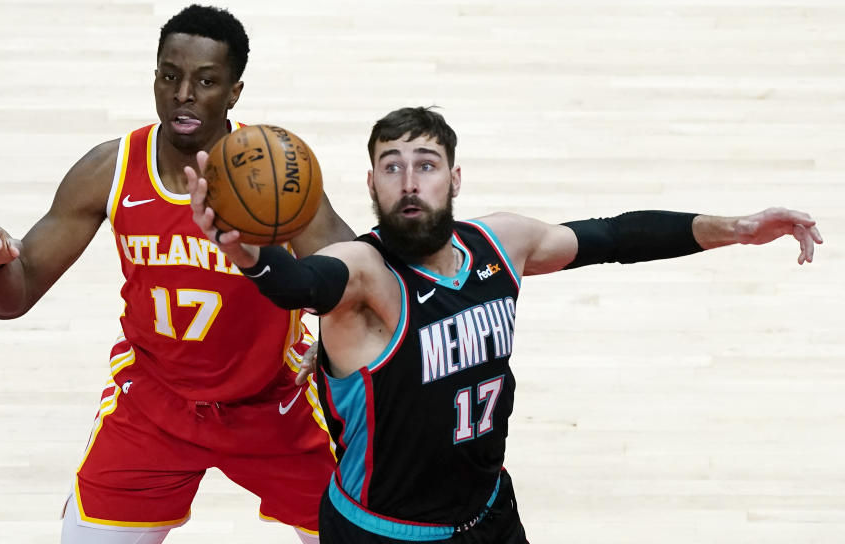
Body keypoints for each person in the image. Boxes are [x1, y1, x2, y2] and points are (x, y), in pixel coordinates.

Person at [185, 106, 823, 543]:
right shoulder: (363, 273)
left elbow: (615, 236)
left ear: (455, 177)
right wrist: (248, 255)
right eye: (392, 166)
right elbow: (301, 284)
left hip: (488, 515)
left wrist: (732, 230)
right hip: (383, 533)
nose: (410, 182)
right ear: (372, 185)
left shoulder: (500, 244)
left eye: (426, 164)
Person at [0, 4, 354, 544]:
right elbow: (13, 297)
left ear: (234, 92)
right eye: (170, 76)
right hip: (155, 405)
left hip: (274, 403)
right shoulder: (111, 169)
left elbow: (356, 278)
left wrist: (339, 338)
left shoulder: (270, 174)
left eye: (205, 81)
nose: (183, 93)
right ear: (155, 80)